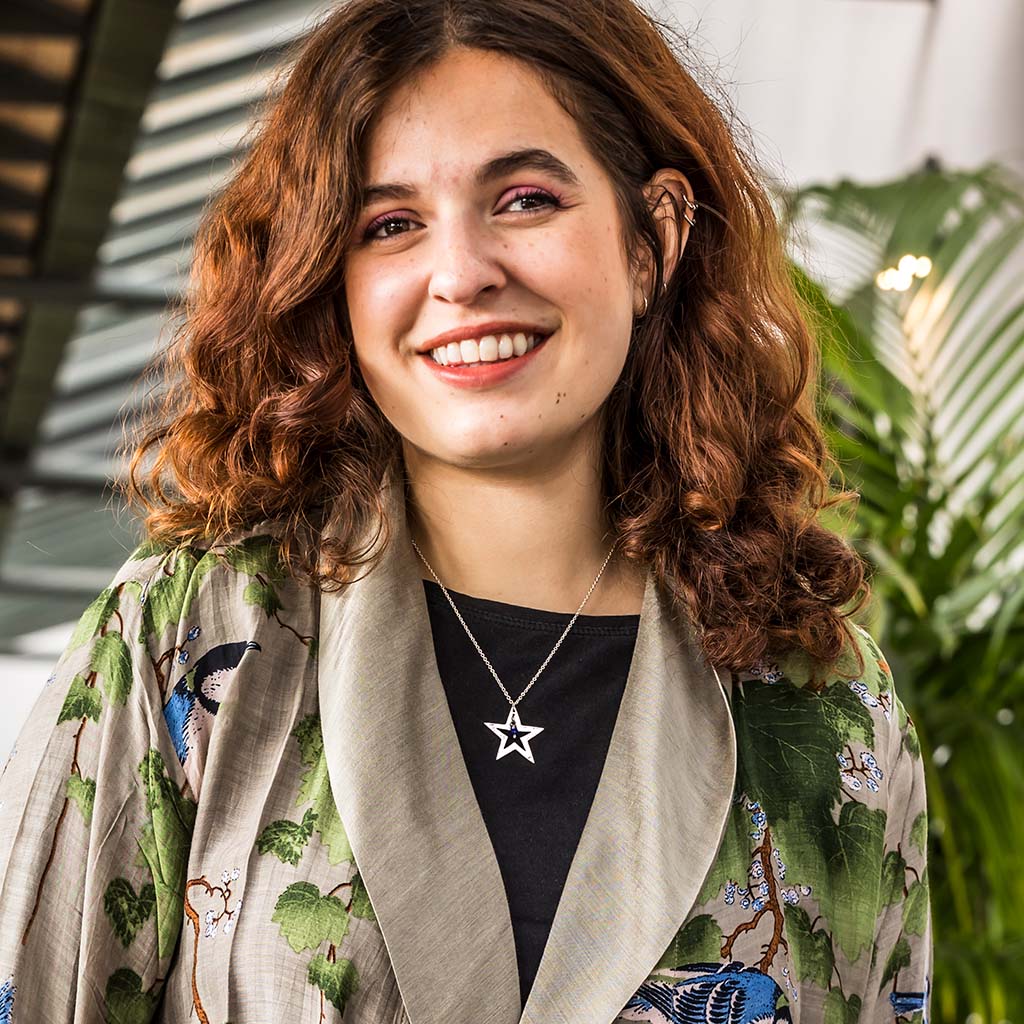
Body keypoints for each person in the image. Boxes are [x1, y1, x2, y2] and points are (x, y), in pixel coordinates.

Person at [0, 0, 932, 1021]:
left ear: (650, 239)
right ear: (332, 284)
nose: (461, 274)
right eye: (389, 225)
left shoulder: (824, 702)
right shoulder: (190, 637)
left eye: (525, 200)